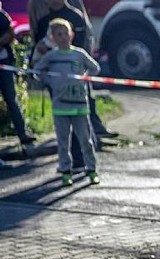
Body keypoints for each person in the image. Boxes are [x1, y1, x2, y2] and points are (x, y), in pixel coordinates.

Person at [30, 0, 117, 141]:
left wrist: (82, 68)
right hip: (56, 78)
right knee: (62, 115)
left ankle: (92, 138)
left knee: (85, 108)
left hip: (77, 73)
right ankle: (69, 145)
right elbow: (38, 47)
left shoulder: (75, 16)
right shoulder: (43, 21)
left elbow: (82, 44)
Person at [33, 17, 99, 186]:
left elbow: (95, 67)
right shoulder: (51, 56)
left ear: (71, 35)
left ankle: (91, 169)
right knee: (63, 142)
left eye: (65, 34)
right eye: (58, 34)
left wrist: (84, 78)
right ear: (53, 38)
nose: (62, 37)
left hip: (79, 105)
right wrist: (50, 81)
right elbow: (37, 70)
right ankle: (65, 171)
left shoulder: (79, 54)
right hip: (60, 106)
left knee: (85, 140)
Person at [1, 2, 37, 148]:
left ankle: (22, 133)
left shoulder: (3, 17)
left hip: (4, 63)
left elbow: (10, 34)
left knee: (11, 98)